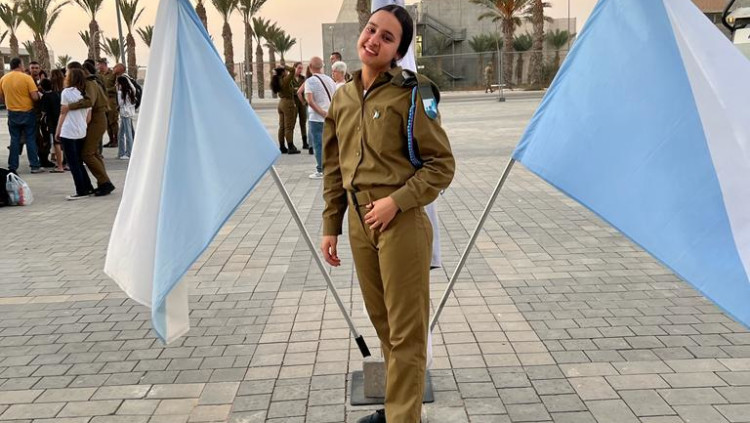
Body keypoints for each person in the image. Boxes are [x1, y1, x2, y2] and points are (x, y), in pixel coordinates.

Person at [320, 5, 455, 423]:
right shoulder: (342, 96)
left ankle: (402, 418)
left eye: (387, 37)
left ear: (398, 51)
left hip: (401, 221)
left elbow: (441, 165)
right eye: (371, 29)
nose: (373, 40)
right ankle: (398, 410)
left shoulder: (414, 92)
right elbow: (333, 167)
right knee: (384, 326)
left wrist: (396, 201)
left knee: (406, 334)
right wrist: (331, 225)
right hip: (360, 223)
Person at [67, 61, 115, 196]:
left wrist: (69, 107)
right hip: (96, 119)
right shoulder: (90, 82)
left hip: (97, 119)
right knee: (94, 153)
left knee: (87, 153)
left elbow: (89, 101)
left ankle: (105, 182)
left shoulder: (89, 83)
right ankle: (104, 182)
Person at [56, 68, 94, 200]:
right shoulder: (86, 95)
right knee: (79, 161)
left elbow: (63, 113)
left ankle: (81, 190)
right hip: (81, 131)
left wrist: (58, 130)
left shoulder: (66, 92)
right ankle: (88, 186)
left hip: (68, 131)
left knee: (72, 163)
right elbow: (88, 117)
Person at [0, 58, 43, 174]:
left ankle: (12, 166)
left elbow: (2, 97)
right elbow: (34, 97)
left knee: (14, 139)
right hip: (27, 112)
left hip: (12, 113)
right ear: (20, 65)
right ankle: (34, 165)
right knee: (30, 139)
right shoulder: (27, 78)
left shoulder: (3, 79)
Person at [303, 57, 336, 180]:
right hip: (330, 116)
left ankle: (321, 170)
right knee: (330, 144)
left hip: (316, 118)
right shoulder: (330, 80)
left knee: (318, 144)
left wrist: (321, 112)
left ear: (310, 67)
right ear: (322, 66)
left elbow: (310, 100)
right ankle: (331, 167)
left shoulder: (310, 81)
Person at [271, 66, 301, 154]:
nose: (287, 72)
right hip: (288, 104)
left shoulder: (277, 80)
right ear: (283, 72)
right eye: (285, 71)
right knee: (289, 127)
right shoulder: (285, 80)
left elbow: (287, 90)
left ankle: (282, 146)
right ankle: (291, 147)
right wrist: (284, 66)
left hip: (281, 103)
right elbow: (293, 70)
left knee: (282, 127)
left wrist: (294, 90)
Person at [39, 78, 63, 172]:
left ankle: (59, 165)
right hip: (59, 120)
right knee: (61, 142)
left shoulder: (45, 97)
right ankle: (63, 162)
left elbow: (43, 111)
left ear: (42, 87)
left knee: (55, 143)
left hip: (50, 122)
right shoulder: (56, 94)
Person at [97, 58, 119, 148]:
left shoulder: (113, 74)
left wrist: (106, 90)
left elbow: (116, 87)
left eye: (100, 64)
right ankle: (110, 140)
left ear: (104, 64)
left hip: (111, 100)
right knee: (107, 122)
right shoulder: (98, 75)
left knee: (113, 121)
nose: (98, 66)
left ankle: (116, 140)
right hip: (103, 101)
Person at [116, 75, 137, 160]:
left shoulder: (120, 92)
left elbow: (120, 103)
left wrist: (117, 90)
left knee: (127, 134)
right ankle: (121, 153)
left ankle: (129, 153)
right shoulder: (131, 90)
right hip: (128, 113)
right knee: (121, 134)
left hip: (125, 114)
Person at [292, 62, 309, 151]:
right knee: (292, 123)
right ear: (294, 68)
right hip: (293, 102)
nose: (300, 70)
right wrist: (298, 90)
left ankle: (305, 142)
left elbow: (306, 89)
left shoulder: (303, 78)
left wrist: (297, 89)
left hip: (302, 103)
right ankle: (291, 143)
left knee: (303, 122)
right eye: (299, 68)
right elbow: (289, 90)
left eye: (301, 68)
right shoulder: (289, 78)